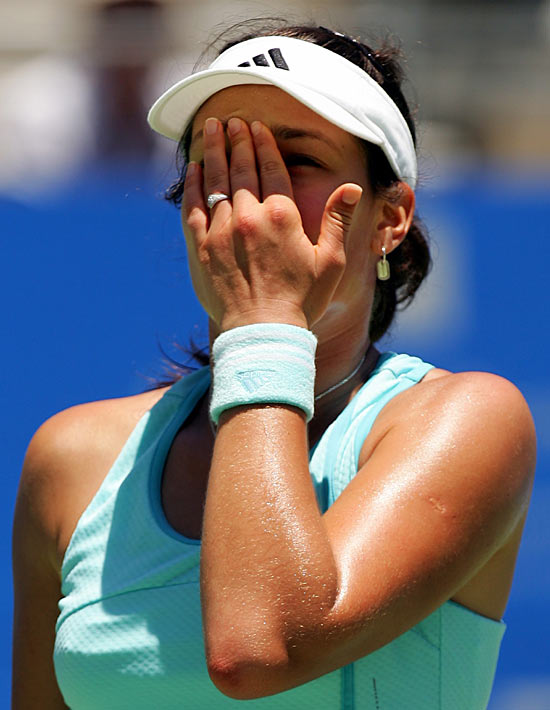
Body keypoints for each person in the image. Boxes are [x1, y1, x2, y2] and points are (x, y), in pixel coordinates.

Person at [12, 22, 536, 710]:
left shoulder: (469, 420)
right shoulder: (71, 459)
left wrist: (263, 322)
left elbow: (258, 652)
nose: (252, 200)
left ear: (391, 217)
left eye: (297, 159)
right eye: (220, 162)